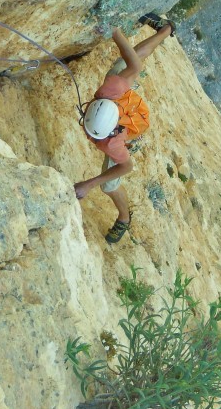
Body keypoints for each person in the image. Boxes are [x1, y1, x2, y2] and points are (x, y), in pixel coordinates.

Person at [74, 14, 174, 243]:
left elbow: (126, 166)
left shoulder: (112, 143)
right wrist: (115, 33)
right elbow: (135, 65)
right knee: (128, 65)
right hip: (122, 102)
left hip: (132, 117)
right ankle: (166, 30)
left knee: (109, 186)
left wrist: (89, 184)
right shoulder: (110, 90)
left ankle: (124, 218)